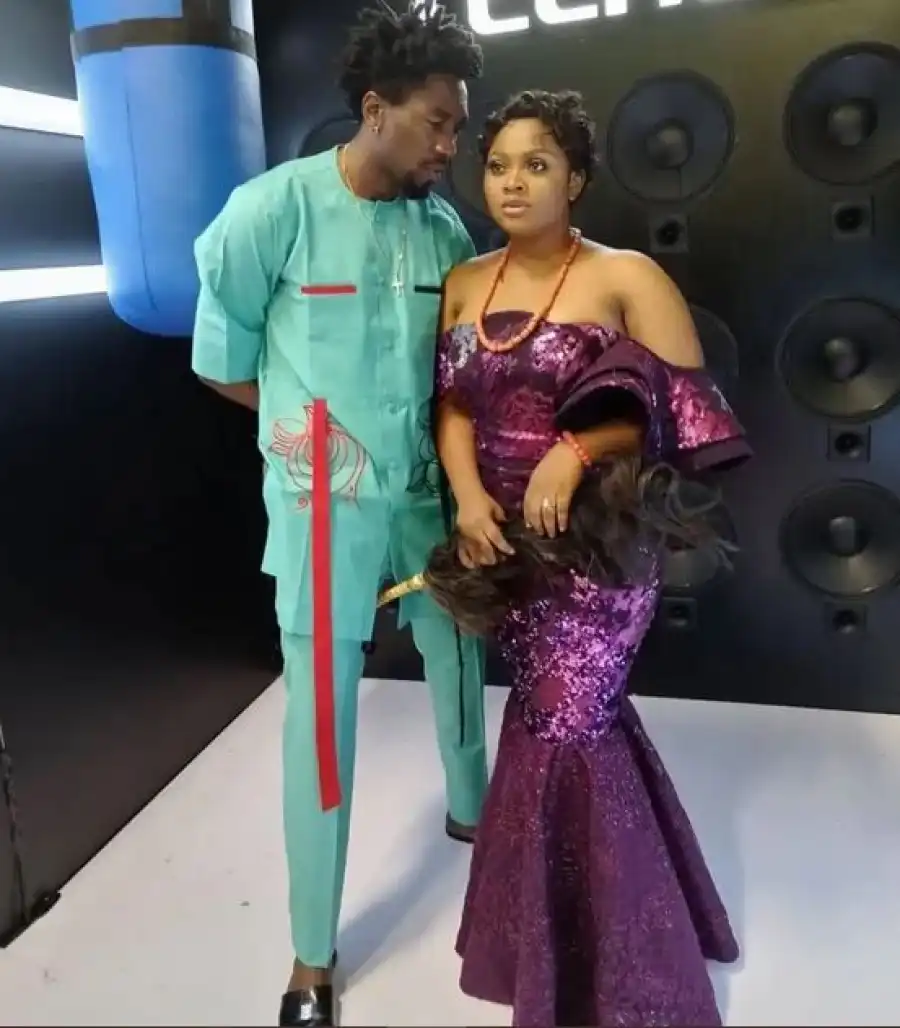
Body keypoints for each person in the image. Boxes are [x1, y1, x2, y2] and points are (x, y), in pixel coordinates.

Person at [189, 5, 490, 1025]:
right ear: (375, 110)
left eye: (459, 130)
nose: (451, 148)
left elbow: (452, 374)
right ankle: (313, 953)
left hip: (428, 491)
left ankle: (473, 813)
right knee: (324, 714)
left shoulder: (442, 230)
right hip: (325, 502)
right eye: (438, 124)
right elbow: (222, 358)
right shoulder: (269, 211)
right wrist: (304, 434)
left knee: (458, 654)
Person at [434, 89, 751, 1027]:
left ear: (575, 178)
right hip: (504, 542)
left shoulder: (626, 275)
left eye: (537, 165)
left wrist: (576, 451)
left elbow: (677, 410)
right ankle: (548, 942)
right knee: (553, 721)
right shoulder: (466, 281)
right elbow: (452, 406)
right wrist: (467, 499)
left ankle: (618, 972)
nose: (513, 183)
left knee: (570, 719)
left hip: (599, 552)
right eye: (499, 165)